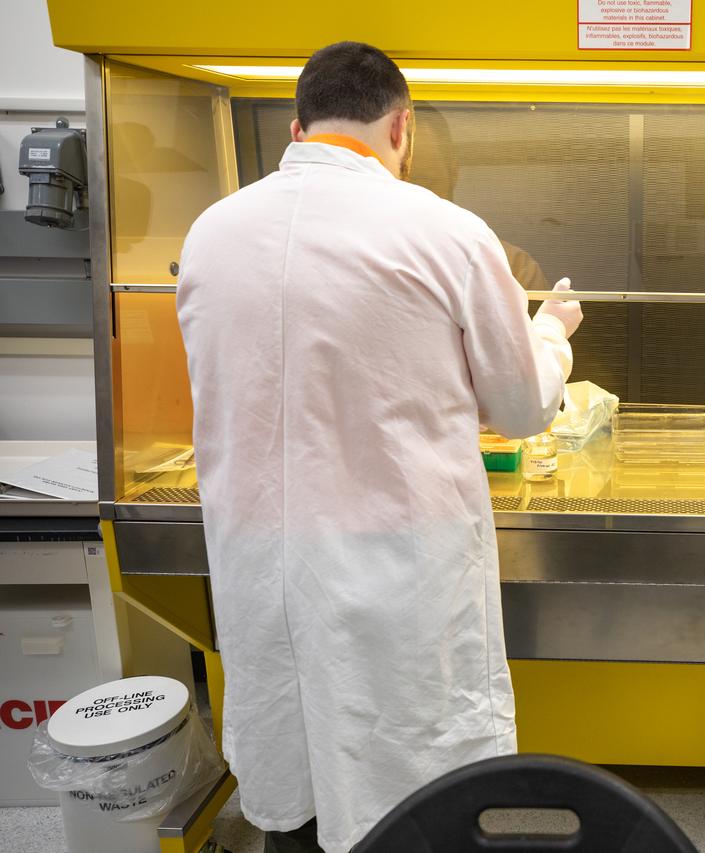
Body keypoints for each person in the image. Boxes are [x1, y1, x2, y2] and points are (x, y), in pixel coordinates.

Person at [176, 42, 582, 853]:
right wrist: (552, 332)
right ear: (403, 127)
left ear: (297, 126)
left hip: (262, 561)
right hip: (396, 570)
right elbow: (522, 404)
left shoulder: (213, 231)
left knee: (294, 776)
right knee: (407, 790)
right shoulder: (446, 231)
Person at [411, 104, 550, 290]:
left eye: (425, 183)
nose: (411, 197)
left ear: (453, 172)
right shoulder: (366, 261)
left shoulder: (511, 268)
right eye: (398, 185)